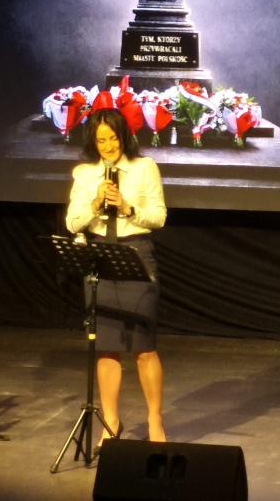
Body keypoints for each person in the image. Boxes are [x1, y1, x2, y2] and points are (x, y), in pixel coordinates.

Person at [65, 107, 167, 450]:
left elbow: (159, 217)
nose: (108, 146)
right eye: (101, 140)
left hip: (136, 252)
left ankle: (154, 419)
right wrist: (95, 204)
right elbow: (72, 223)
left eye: (113, 138)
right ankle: (111, 422)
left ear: (124, 136)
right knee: (106, 348)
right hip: (100, 256)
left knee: (144, 348)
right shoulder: (84, 173)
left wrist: (127, 209)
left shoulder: (144, 167)